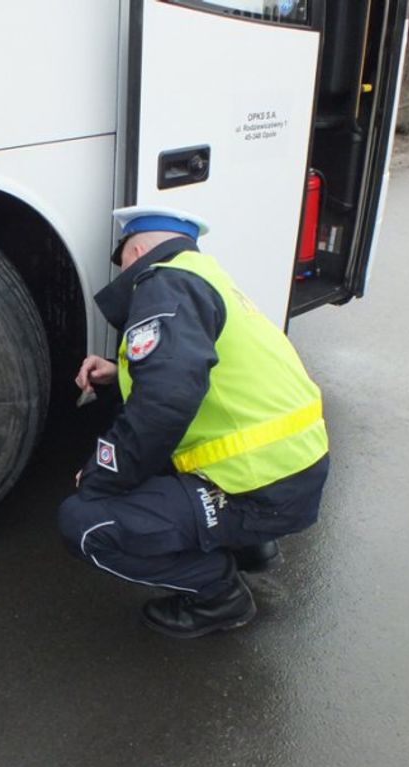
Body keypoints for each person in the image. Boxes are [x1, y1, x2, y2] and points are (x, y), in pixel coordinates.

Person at [57, 205, 330, 639]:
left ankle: (219, 596)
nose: (123, 271)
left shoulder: (162, 282)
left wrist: (99, 476)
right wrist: (117, 373)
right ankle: (251, 545)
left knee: (86, 523)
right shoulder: (204, 277)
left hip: (260, 486)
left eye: (123, 259)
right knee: (153, 456)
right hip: (291, 468)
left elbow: (165, 403)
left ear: (139, 250)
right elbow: (202, 375)